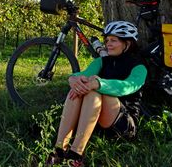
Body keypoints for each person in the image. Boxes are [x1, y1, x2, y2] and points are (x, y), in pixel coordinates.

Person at [46, 21, 148, 167]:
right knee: (80, 87)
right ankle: (59, 149)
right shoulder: (102, 61)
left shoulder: (139, 66)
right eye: (107, 40)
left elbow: (127, 87)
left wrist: (99, 83)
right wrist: (73, 79)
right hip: (97, 123)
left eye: (114, 40)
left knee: (94, 88)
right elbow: (84, 75)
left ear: (127, 43)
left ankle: (76, 154)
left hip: (123, 125)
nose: (108, 44)